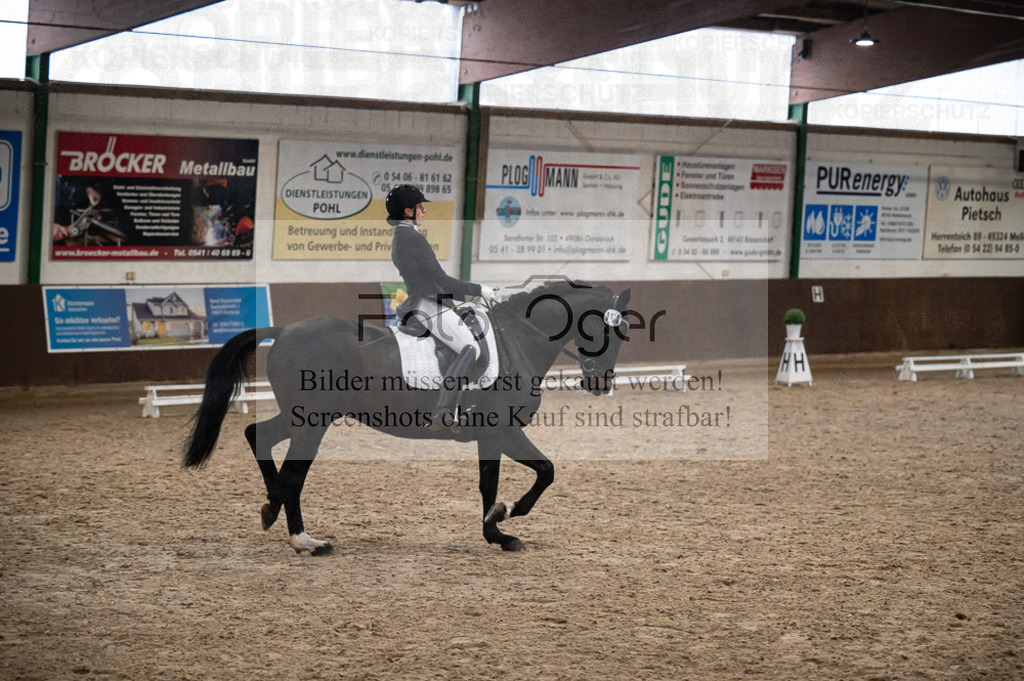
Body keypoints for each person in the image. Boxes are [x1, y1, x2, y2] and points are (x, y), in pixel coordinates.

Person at [386, 184, 495, 430]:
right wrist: (478, 289)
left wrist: (464, 296)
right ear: (407, 211)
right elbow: (441, 280)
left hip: (424, 300)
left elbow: (434, 281)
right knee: (469, 347)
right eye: (420, 207)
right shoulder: (413, 238)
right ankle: (443, 411)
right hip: (427, 304)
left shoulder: (401, 237)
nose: (424, 211)